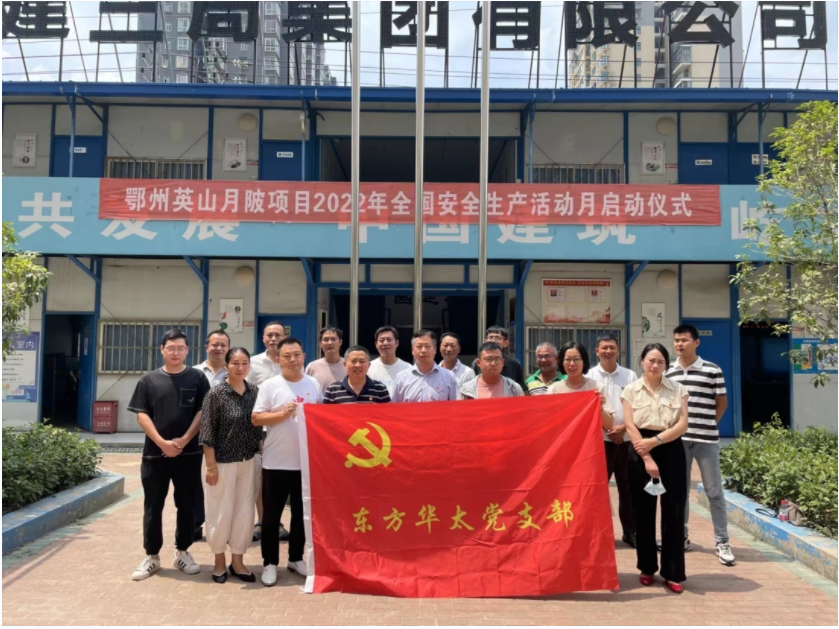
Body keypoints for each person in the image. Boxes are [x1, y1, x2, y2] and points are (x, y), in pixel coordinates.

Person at [128, 329, 210, 581]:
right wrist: (162, 443)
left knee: (186, 505)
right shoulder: (148, 380)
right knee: (153, 505)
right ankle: (152, 556)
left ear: (188, 350)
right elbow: (142, 414)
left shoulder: (197, 378)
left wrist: (184, 440)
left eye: (180, 348)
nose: (176, 352)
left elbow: (202, 411)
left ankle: (182, 552)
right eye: (171, 348)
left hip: (189, 454)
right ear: (162, 349)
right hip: (155, 456)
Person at [252, 337, 322, 586]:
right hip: (276, 462)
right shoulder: (270, 385)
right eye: (287, 356)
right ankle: (270, 562)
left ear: (304, 356)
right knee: (271, 517)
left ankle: (295, 558)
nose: (292, 360)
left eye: (297, 355)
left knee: (302, 516)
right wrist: (283, 414)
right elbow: (256, 418)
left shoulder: (313, 383)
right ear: (278, 359)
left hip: (305, 463)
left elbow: (322, 418)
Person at [622, 343, 689, 594]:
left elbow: (682, 424)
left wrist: (656, 441)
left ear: (666, 365)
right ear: (642, 361)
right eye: (651, 360)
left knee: (674, 511)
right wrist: (647, 456)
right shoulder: (630, 390)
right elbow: (630, 425)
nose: (655, 365)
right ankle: (647, 567)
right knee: (643, 511)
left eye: (660, 361)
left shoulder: (678, 389)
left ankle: (673, 572)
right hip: (640, 451)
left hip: (671, 449)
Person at [665, 324, 735, 566]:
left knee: (714, 492)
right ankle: (682, 537)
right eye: (676, 340)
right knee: (680, 492)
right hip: (679, 441)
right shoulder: (669, 372)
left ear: (696, 342)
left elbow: (722, 402)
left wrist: (709, 424)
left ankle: (722, 541)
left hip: (706, 441)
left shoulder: (712, 370)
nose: (679, 344)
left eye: (684, 340)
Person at [199, 347, 263, 584]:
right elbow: (207, 431)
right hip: (220, 464)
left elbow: (258, 427)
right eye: (235, 363)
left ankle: (238, 560)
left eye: (244, 363)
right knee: (219, 511)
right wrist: (211, 466)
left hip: (248, 461)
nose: (240, 367)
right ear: (226, 366)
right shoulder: (216, 394)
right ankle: (219, 561)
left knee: (244, 512)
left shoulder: (254, 392)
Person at [586, 334, 638, 548]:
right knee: (597, 492)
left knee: (629, 490)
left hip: (626, 441)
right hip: (600, 444)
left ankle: (630, 532)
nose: (608, 351)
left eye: (612, 348)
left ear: (618, 350)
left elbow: (638, 406)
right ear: (596, 351)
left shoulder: (630, 375)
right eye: (604, 348)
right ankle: (597, 534)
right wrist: (607, 430)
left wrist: (623, 428)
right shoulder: (589, 376)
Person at [246, 321, 287, 543]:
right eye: (269, 335)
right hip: (260, 427)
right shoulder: (253, 363)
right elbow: (247, 395)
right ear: (263, 338)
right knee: (261, 477)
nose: (273, 339)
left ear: (284, 337)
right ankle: (262, 522)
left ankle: (277, 521)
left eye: (277, 335)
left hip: (285, 428)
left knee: (279, 477)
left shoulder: (291, 361)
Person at [189, 328, 231, 542]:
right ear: (206, 347)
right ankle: (195, 525)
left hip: (225, 436)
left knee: (222, 482)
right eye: (215, 344)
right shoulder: (194, 372)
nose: (219, 348)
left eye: (223, 345)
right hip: (196, 434)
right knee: (195, 482)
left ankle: (223, 528)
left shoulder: (234, 371)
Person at [547, 342, 614, 431]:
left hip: (589, 439)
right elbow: (547, 422)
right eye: (567, 359)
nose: (572, 364)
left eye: (576, 359)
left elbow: (609, 425)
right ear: (562, 362)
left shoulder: (597, 388)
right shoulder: (554, 390)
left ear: (584, 362)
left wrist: (600, 408)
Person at [391, 330, 458, 403]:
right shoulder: (401, 378)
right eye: (419, 346)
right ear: (412, 350)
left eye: (427, 346)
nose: (423, 350)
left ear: (435, 349)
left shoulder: (449, 377)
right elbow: (394, 407)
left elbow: (455, 406)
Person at [323, 345, 391, 404]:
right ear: (345, 364)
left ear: (369, 365)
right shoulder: (333, 390)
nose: (358, 365)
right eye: (353, 361)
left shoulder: (380, 389)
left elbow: (388, 413)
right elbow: (324, 413)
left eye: (362, 361)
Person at [459, 342, 525, 399]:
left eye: (497, 359)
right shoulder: (466, 390)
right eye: (488, 359)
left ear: (503, 362)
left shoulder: (514, 388)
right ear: (479, 363)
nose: (493, 363)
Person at [470, 326, 527, 391]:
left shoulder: (514, 363)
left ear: (506, 343)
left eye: (497, 338)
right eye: (490, 337)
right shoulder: (477, 362)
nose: (493, 340)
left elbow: (522, 389)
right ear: (485, 341)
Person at [367, 326, 411, 397]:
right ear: (376, 344)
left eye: (389, 340)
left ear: (396, 343)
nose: (385, 343)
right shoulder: (368, 368)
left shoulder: (408, 368)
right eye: (381, 340)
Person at [305, 326, 347, 393]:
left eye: (333, 339)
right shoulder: (312, 367)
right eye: (326, 340)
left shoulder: (348, 365)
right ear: (320, 343)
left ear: (340, 342)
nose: (330, 343)